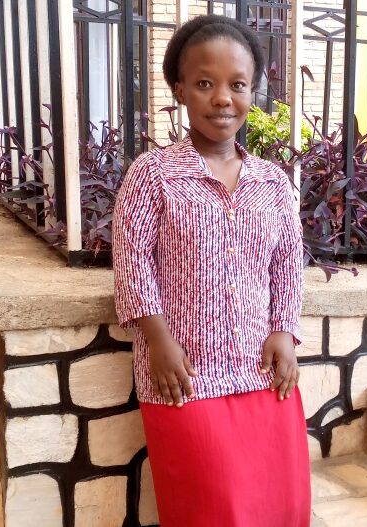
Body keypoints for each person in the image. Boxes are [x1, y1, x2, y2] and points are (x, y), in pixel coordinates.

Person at [112, 14, 310, 527]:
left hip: (263, 372)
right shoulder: (152, 175)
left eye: (237, 85)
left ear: (253, 92)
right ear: (179, 89)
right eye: (205, 83)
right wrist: (158, 341)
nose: (223, 98)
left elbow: (288, 266)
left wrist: (284, 333)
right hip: (185, 375)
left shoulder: (273, 183)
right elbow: (132, 263)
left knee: (280, 506)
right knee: (210, 510)